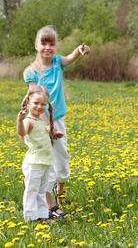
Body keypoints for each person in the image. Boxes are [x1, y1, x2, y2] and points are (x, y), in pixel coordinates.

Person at [23, 25, 90, 218]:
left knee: (61, 158)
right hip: (39, 122)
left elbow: (70, 58)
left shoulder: (58, 63)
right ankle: (48, 204)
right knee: (44, 160)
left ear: (55, 46)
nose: (47, 47)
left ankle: (59, 192)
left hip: (58, 120)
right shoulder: (31, 72)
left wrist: (79, 50)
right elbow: (34, 98)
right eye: (43, 43)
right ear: (36, 45)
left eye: (51, 44)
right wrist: (46, 125)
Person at [17, 86, 63, 223]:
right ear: (28, 103)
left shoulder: (41, 121)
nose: (39, 106)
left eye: (43, 104)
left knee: (42, 190)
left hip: (46, 161)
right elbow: (22, 133)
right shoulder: (28, 121)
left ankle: (43, 215)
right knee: (32, 190)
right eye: (36, 103)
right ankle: (31, 217)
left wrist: (54, 134)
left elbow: (44, 134)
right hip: (34, 163)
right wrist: (19, 120)